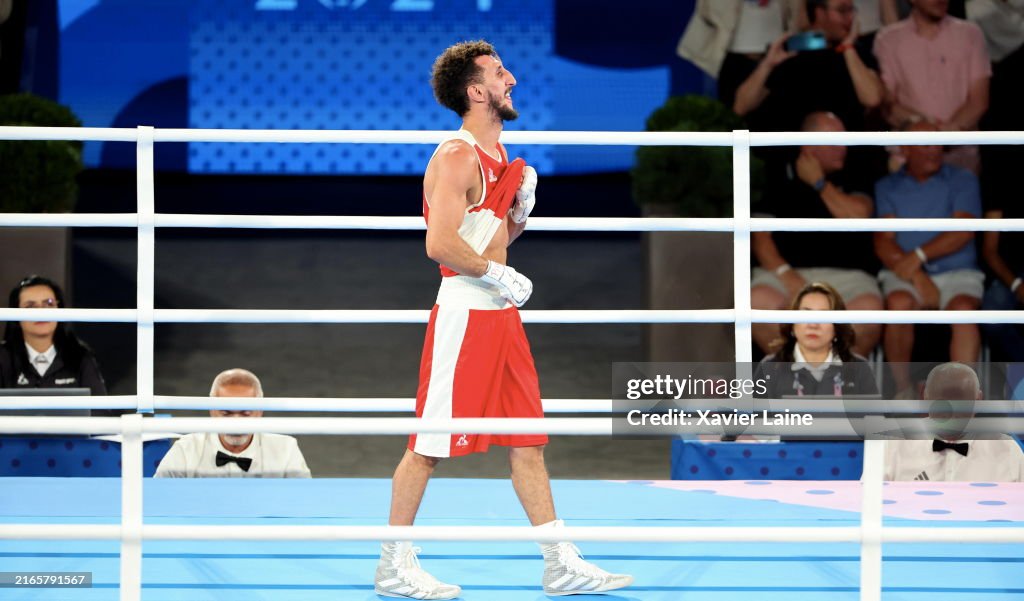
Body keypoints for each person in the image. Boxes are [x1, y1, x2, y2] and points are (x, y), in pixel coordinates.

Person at [375, 40, 632, 600]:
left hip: (499, 317)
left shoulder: (501, 159)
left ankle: (558, 561)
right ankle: (393, 564)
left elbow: (485, 244)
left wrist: (517, 222)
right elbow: (440, 245)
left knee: (528, 440)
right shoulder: (457, 156)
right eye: (498, 73)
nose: (511, 79)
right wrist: (496, 273)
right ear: (475, 91)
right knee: (428, 444)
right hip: (465, 315)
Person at [752, 112, 882, 358]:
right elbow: (760, 238)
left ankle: (832, 384)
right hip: (785, 273)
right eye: (834, 142)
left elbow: (858, 217)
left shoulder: (855, 170)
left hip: (849, 278)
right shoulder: (775, 173)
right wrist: (788, 276)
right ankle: (792, 379)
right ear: (809, 145)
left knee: (868, 313)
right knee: (758, 301)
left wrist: (819, 183)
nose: (843, 148)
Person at [874, 119, 984, 394]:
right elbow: (883, 243)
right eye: (925, 143)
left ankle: (963, 398)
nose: (935, 149)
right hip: (907, 275)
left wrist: (919, 255)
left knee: (963, 311)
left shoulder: (963, 179)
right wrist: (918, 275)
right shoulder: (887, 186)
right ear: (905, 150)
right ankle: (903, 395)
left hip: (958, 273)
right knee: (898, 303)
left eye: (937, 141)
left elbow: (964, 231)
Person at [732, 0, 885, 134]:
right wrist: (767, 66)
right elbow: (741, 106)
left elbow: (872, 98)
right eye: (842, 10)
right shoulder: (788, 52)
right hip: (794, 150)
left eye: (852, 10)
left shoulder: (857, 53)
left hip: (845, 148)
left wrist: (848, 49)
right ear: (819, 12)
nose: (850, 17)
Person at [873, 0, 991, 172]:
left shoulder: (970, 34)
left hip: (961, 158)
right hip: (909, 159)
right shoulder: (888, 40)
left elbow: (979, 101)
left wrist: (949, 131)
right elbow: (888, 106)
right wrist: (928, 131)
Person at [154, 368, 310, 478]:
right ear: (211, 410)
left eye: (245, 413)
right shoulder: (186, 449)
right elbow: (156, 499)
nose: (236, 423)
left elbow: (305, 503)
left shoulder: (286, 449)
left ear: (260, 411)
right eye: (226, 413)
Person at [882, 362, 1024, 481]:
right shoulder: (894, 446)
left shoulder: (1007, 449)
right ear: (925, 398)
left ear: (978, 401)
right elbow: (867, 503)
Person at [756, 282, 879, 399]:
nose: (813, 325)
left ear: (837, 327)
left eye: (823, 316)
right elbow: (752, 420)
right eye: (806, 314)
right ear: (792, 323)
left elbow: (874, 419)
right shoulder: (770, 367)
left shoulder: (859, 368)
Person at [0, 274, 109, 400]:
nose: (41, 311)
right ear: (14, 314)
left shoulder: (80, 356)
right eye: (30, 306)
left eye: (49, 304)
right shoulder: (3, 358)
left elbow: (100, 412)